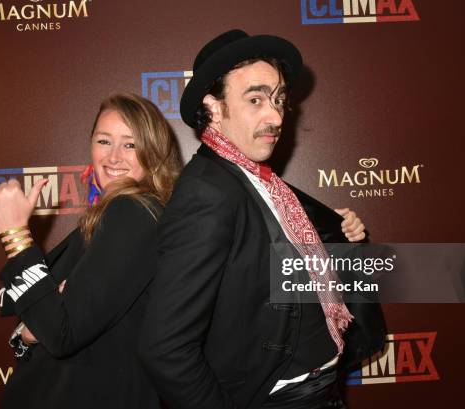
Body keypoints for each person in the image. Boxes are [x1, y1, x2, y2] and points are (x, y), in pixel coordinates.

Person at [138, 30, 386, 409]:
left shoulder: (255, 179)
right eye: (255, 99)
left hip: (321, 389)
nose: (275, 115)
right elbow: (165, 346)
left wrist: (337, 234)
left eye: (279, 99)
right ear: (215, 108)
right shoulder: (208, 192)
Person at [0, 93, 182, 409]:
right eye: (104, 141)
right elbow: (48, 324)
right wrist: (27, 335)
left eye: (130, 144)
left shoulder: (131, 212)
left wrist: (15, 234)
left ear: (154, 152)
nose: (114, 157)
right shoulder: (114, 216)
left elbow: (61, 334)